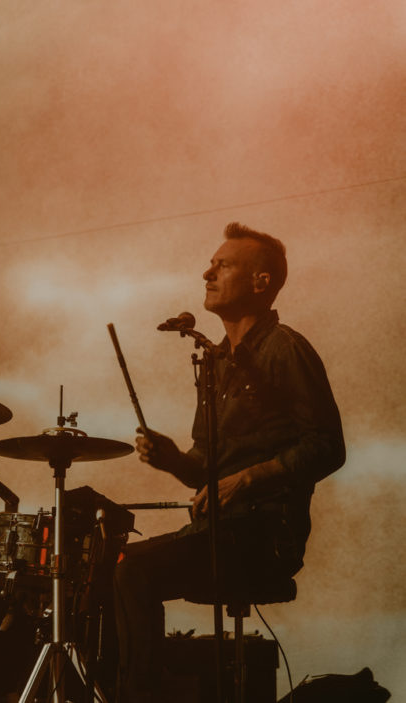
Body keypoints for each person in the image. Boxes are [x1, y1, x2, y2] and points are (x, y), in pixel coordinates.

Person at [113, 222, 345, 703]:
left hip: (265, 537)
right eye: (210, 265)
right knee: (110, 566)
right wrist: (172, 460)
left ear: (261, 281)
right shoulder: (215, 360)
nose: (207, 273)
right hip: (218, 531)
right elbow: (206, 469)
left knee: (135, 573)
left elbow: (327, 446)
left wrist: (250, 478)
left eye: (223, 266)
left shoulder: (286, 349)